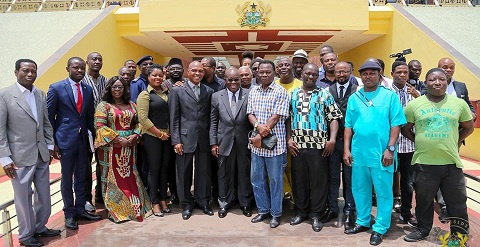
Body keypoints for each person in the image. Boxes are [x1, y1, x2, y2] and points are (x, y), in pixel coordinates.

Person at [402, 68, 474, 242]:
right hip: (424, 163)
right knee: (423, 201)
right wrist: (419, 141)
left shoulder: (459, 104)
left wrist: (456, 140)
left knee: (456, 202)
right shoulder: (414, 104)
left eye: (441, 79)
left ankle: (460, 235)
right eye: (433, 79)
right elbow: (406, 128)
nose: (437, 82)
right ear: (426, 83)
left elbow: (468, 127)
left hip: (451, 163)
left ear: (446, 81)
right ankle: (422, 230)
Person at [343, 60, 406, 246]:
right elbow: (348, 126)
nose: (368, 76)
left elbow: (396, 124)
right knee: (360, 189)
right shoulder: (355, 98)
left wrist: (390, 149)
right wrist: (346, 149)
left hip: (382, 154)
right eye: (365, 73)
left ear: (380, 75)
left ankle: (380, 227)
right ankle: (362, 221)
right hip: (359, 153)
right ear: (360, 76)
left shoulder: (389, 96)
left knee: (383, 192)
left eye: (372, 73)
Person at [0, 59, 61, 247]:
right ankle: (26, 235)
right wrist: (4, 157)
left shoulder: (40, 94)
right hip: (19, 157)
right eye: (25, 70)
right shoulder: (5, 95)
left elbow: (45, 123)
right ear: (16, 72)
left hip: (42, 154)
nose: (30, 74)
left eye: (33, 71)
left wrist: (50, 145)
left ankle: (40, 226)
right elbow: (0, 129)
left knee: (43, 195)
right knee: (23, 198)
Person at [47, 57, 102, 231]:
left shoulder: (86, 89)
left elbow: (88, 116)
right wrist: (53, 143)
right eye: (76, 67)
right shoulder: (56, 88)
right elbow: (49, 118)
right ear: (68, 68)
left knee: (82, 176)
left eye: (82, 68)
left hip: (83, 141)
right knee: (67, 178)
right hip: (65, 140)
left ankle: (80, 209)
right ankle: (69, 214)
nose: (79, 70)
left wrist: (94, 137)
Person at [287, 63, 342, 232]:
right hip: (297, 146)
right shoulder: (292, 94)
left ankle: (316, 215)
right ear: (301, 73)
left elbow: (334, 118)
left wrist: (332, 140)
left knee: (318, 182)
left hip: (319, 147)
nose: (310, 77)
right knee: (299, 181)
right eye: (307, 73)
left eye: (314, 74)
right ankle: (301, 211)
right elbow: (287, 118)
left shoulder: (324, 94)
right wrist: (289, 139)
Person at [94, 76, 151, 222]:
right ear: (109, 89)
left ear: (125, 89)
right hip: (111, 148)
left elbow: (138, 122)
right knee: (113, 177)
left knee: (130, 174)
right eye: (114, 87)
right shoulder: (103, 106)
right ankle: (118, 210)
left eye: (120, 87)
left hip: (130, 147)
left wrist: (136, 135)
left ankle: (135, 207)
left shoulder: (132, 105)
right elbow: (100, 126)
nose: (117, 89)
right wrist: (118, 139)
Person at [170, 61, 214, 220]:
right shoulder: (177, 91)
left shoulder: (208, 91)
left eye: (200, 71)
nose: (197, 73)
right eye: (194, 70)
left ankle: (203, 201)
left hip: (203, 137)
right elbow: (174, 117)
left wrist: (212, 139)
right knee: (183, 172)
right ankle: (186, 203)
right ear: (188, 72)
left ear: (204, 73)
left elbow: (210, 117)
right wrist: (176, 140)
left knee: (204, 172)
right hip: (184, 138)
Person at [247, 60, 289, 228]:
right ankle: (263, 210)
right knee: (257, 179)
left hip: (275, 146)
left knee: (276, 181)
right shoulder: (253, 91)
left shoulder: (281, 92)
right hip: (256, 147)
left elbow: (276, 116)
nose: (264, 74)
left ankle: (276, 213)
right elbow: (250, 113)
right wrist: (258, 127)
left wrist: (261, 133)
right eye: (261, 72)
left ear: (274, 73)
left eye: (268, 72)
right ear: (257, 73)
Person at [210, 67, 254, 218]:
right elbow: (213, 122)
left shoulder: (249, 94)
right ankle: (224, 203)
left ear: (241, 80)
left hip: (244, 142)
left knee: (244, 173)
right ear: (225, 80)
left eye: (237, 79)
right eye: (230, 80)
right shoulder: (216, 96)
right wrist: (213, 143)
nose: (234, 82)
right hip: (224, 141)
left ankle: (245, 203)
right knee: (224, 174)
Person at [137, 64, 172, 217]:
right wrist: (159, 134)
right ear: (148, 77)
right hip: (153, 137)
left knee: (165, 169)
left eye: (160, 75)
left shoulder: (166, 92)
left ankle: (164, 198)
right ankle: (155, 202)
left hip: (167, 137)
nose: (158, 78)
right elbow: (143, 119)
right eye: (154, 76)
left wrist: (167, 134)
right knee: (154, 170)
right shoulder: (145, 95)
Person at [327, 61, 358, 229]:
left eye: (345, 71)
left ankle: (349, 210)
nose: (341, 74)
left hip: (351, 144)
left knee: (349, 178)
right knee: (332, 177)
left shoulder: (358, 91)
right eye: (338, 72)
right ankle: (332, 207)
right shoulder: (327, 91)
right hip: (333, 142)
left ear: (350, 72)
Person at [390, 61, 419, 228]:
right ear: (392, 73)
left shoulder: (414, 93)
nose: (402, 75)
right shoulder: (386, 92)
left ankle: (406, 212)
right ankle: (387, 211)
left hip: (409, 144)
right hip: (391, 144)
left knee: (408, 181)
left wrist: (418, 97)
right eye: (399, 72)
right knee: (387, 179)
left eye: (405, 72)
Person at [81, 52, 107, 212]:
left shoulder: (105, 80)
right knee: (85, 167)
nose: (97, 61)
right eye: (94, 59)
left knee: (102, 165)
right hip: (86, 131)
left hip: (103, 131)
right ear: (87, 62)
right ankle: (85, 200)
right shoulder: (80, 81)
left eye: (100, 59)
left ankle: (101, 195)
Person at [274, 57, 302, 204]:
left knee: (294, 168)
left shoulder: (301, 85)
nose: (283, 67)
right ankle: (281, 195)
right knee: (277, 168)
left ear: (292, 67)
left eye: (286, 64)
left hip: (296, 136)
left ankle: (295, 197)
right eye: (280, 65)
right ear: (276, 69)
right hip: (275, 135)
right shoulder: (272, 85)